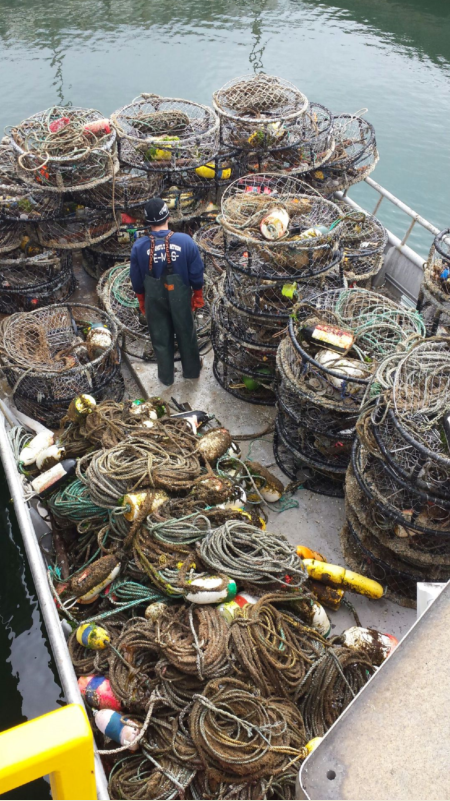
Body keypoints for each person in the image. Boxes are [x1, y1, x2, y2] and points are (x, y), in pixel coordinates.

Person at [130, 198, 204, 386]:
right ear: (168, 217)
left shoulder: (139, 246)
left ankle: (166, 377)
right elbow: (196, 273)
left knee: (160, 337)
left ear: (147, 222)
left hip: (154, 299)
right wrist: (198, 295)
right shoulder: (185, 241)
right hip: (180, 297)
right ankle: (192, 371)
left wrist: (141, 300)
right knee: (186, 332)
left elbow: (137, 279)